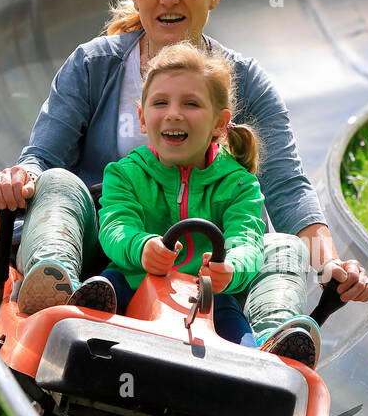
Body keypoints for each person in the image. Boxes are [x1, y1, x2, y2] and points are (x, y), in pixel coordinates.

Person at [0, 0, 368, 369]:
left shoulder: (244, 81)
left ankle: (272, 345)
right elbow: (42, 156)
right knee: (57, 182)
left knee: (281, 246)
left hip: (212, 274)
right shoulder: (94, 66)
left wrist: (330, 265)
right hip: (107, 261)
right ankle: (56, 286)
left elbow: (287, 186)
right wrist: (22, 176)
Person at [69, 41, 267, 350]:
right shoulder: (124, 174)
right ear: (143, 119)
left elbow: (248, 240)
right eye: (160, 103)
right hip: (133, 281)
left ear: (219, 123)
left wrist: (230, 268)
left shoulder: (239, 185)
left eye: (191, 104)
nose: (173, 114)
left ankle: (256, 361)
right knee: (107, 287)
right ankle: (85, 327)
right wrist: (142, 246)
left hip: (206, 297)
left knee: (235, 329)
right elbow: (115, 226)